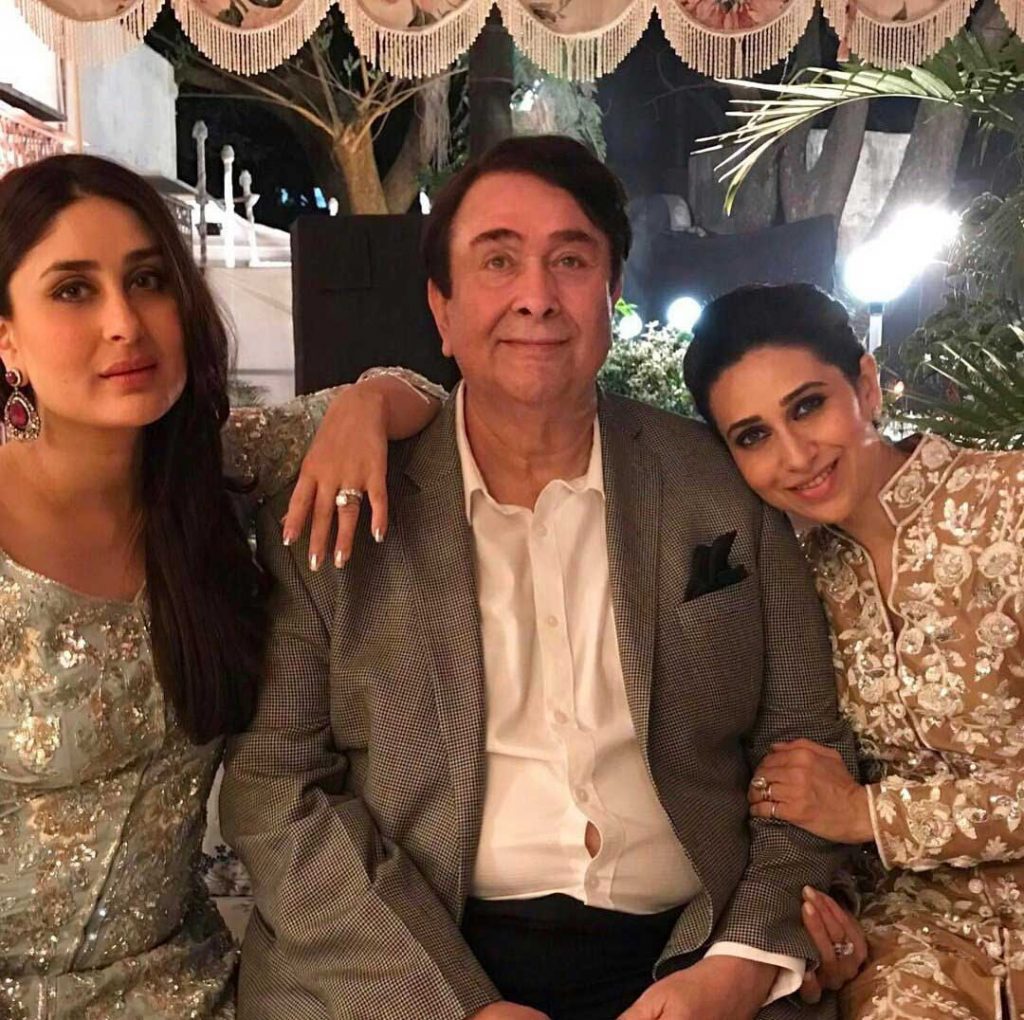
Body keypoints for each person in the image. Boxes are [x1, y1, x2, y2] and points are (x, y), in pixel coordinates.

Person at [221, 135, 855, 1020]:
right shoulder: (335, 508)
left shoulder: (721, 486)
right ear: (441, 310)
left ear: (611, 292)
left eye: (570, 259)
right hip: (410, 957)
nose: (536, 295)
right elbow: (277, 787)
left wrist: (743, 962)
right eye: (498, 260)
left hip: (690, 948)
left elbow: (806, 742)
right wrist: (454, 1006)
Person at [0, 153, 442, 1017]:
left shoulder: (222, 473)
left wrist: (364, 407)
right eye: (73, 290)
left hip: (192, 989)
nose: (125, 323)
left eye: (148, 280)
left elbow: (424, 392)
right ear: (6, 336)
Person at [682, 281, 1024, 1019]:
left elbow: (847, 807)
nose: (795, 455)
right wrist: (822, 926)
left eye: (808, 406)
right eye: (753, 436)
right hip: (915, 942)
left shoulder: (1012, 505)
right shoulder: (791, 585)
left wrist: (869, 814)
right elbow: (800, 798)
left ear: (866, 385)